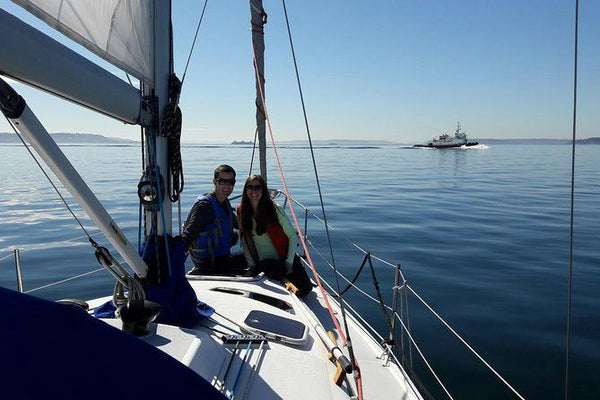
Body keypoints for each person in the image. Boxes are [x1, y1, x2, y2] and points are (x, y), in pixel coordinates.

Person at [238, 175, 312, 296]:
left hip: (284, 259)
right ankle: (282, 278)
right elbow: (245, 242)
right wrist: (252, 265)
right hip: (265, 263)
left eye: (257, 187)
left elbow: (292, 237)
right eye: (249, 187)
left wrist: (289, 262)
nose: (253, 191)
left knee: (306, 288)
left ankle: (283, 277)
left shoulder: (274, 210)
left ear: (263, 190)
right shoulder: (243, 212)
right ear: (245, 190)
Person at [182, 164, 246, 275]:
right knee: (257, 261)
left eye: (231, 182)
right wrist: (173, 262)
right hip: (209, 264)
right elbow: (187, 236)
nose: (227, 186)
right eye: (222, 181)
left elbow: (236, 223)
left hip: (221, 258)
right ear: (214, 182)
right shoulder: (205, 207)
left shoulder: (224, 202)